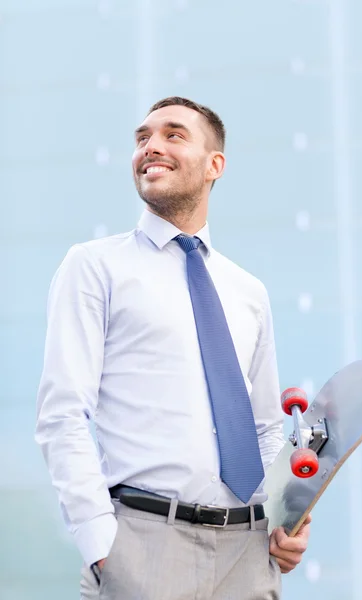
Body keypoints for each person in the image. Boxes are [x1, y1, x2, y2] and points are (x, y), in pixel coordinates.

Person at [35, 96, 311, 600]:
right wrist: (103, 545)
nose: (150, 147)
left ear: (215, 165)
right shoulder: (95, 266)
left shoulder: (249, 292)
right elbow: (62, 415)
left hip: (248, 556)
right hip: (142, 547)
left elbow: (267, 428)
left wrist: (285, 522)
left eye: (173, 135)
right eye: (142, 138)